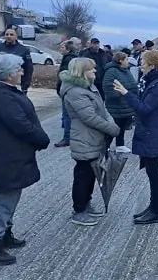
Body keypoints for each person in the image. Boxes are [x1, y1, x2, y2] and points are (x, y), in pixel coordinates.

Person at [0, 53, 50, 265]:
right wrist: (41, 139)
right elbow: (20, 124)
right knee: (4, 197)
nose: (22, 72)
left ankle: (4, 233)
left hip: (9, 151)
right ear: (7, 75)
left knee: (11, 194)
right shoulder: (0, 95)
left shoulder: (3, 91)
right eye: (18, 70)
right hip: (3, 153)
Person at [113, 50, 158, 225]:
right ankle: (153, 207)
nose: (141, 64)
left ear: (151, 65)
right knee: (151, 172)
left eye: (143, 62)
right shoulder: (154, 82)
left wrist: (126, 93)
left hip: (153, 133)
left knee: (154, 174)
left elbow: (144, 108)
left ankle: (156, 211)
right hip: (152, 132)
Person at [60, 57, 121, 227]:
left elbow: (103, 108)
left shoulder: (89, 87)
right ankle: (79, 210)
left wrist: (111, 122)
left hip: (95, 138)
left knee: (92, 174)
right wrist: (112, 129)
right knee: (83, 176)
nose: (95, 71)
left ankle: (86, 204)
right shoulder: (75, 92)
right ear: (81, 71)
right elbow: (90, 118)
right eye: (91, 69)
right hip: (85, 138)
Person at [102, 52, 138, 153]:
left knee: (122, 126)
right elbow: (107, 87)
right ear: (120, 60)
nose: (128, 61)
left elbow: (132, 84)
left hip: (126, 104)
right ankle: (105, 146)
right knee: (114, 127)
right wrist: (121, 93)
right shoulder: (111, 71)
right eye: (126, 59)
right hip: (116, 105)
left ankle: (120, 145)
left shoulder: (126, 71)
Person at [0, 27, 33, 93]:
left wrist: (25, 86)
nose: (9, 36)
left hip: (16, 84)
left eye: (11, 34)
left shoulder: (23, 50)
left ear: (16, 36)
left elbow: (28, 69)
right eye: (7, 34)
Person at [54, 40, 77, 148]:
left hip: (67, 89)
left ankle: (67, 138)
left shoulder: (68, 59)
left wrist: (60, 89)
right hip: (71, 89)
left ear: (68, 49)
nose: (61, 49)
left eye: (63, 47)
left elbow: (63, 76)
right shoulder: (74, 58)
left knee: (67, 114)